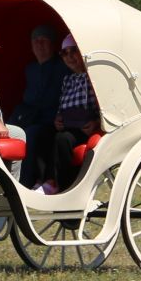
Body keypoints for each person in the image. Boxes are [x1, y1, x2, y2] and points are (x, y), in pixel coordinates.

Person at [9, 24, 64, 188]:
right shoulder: (30, 69)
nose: (39, 44)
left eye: (44, 40)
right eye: (36, 41)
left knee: (31, 134)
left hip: (50, 120)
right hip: (29, 116)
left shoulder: (62, 67)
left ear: (52, 44)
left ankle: (25, 183)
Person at [48, 33, 102, 193]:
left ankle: (67, 189)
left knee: (62, 139)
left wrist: (97, 122)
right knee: (41, 133)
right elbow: (62, 106)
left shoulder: (95, 77)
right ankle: (46, 181)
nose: (69, 56)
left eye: (73, 51)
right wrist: (58, 119)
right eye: (64, 53)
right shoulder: (68, 80)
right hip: (70, 124)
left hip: (89, 127)